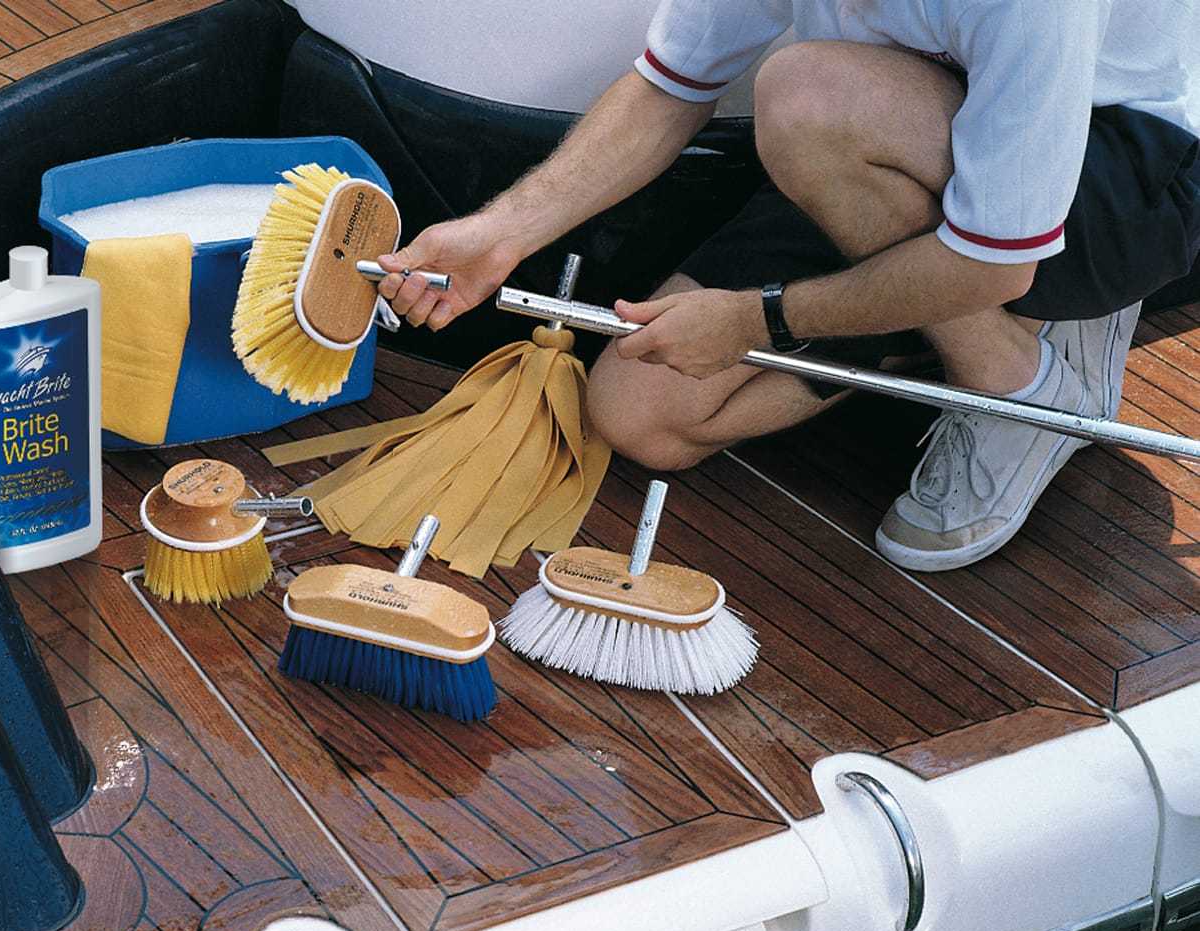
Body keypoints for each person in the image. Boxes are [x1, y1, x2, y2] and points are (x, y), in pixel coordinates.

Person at [376, 0, 1200, 571]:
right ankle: (994, 335)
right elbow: (670, 88)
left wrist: (754, 321)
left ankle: (1015, 387)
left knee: (807, 92)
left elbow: (996, 264)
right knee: (642, 416)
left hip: (1126, 161)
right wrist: (500, 235)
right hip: (897, 137)